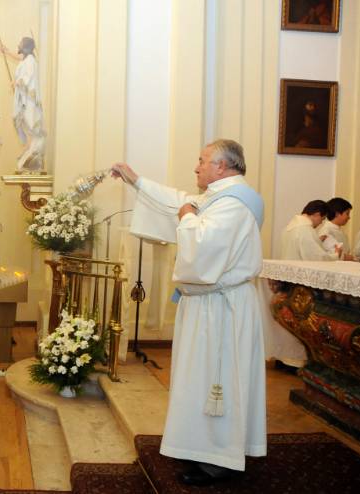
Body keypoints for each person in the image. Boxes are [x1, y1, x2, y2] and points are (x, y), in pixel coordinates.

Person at [112, 139, 266, 485]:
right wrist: (136, 180)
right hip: (207, 305)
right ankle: (201, 448)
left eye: (202, 161)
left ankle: (219, 458)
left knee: (217, 381)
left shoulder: (234, 204)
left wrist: (186, 217)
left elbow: (202, 247)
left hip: (222, 308)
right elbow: (176, 200)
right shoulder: (218, 197)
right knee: (198, 380)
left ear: (222, 166)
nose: (196, 167)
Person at [0, 37, 46, 172]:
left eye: (20, 43)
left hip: (29, 102)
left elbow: (28, 77)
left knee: (30, 123)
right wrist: (7, 52)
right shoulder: (27, 59)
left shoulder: (31, 61)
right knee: (20, 120)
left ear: (25, 46)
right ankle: (30, 148)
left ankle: (35, 151)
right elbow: (20, 59)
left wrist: (17, 82)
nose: (18, 45)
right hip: (24, 99)